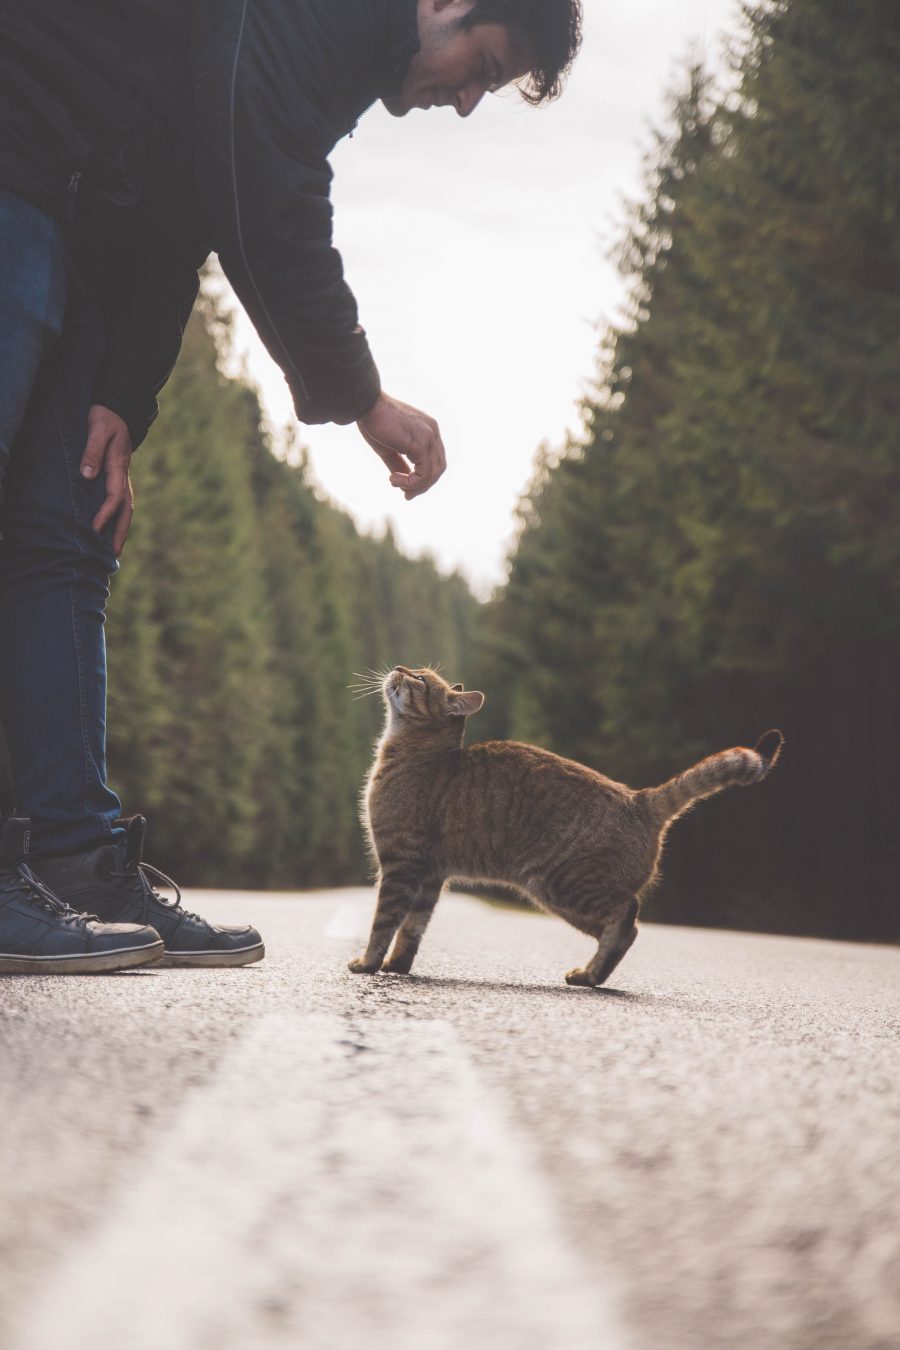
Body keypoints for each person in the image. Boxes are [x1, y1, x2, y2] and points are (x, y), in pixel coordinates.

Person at [0, 0, 583, 973]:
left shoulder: (330, 61)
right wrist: (364, 401)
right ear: (444, 4)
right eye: (481, 63)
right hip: (16, 154)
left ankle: (75, 860)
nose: (471, 101)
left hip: (77, 225)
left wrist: (120, 398)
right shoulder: (325, 16)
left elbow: (187, 206)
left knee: (72, 529)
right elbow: (263, 194)